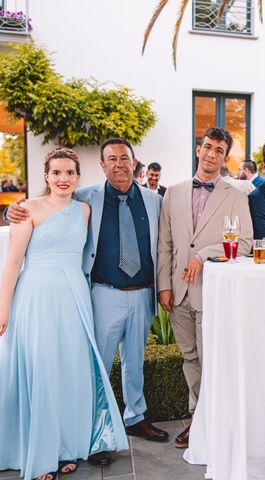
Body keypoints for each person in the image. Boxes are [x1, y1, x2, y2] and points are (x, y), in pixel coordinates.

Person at [5, 138, 169, 466]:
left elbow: (164, 244)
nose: (119, 164)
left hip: (141, 292)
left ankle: (136, 417)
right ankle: (97, 433)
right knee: (97, 365)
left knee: (135, 361)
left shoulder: (155, 200)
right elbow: (49, 204)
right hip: (102, 293)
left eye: (125, 158)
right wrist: (14, 209)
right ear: (102, 166)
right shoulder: (85, 197)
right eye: (112, 159)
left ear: (135, 163)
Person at [0, 148, 128, 480]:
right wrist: (3, 308)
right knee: (42, 369)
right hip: (37, 296)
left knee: (70, 370)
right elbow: (13, 261)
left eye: (69, 173)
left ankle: (66, 448)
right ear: (45, 176)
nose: (63, 179)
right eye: (56, 173)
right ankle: (42, 453)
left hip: (75, 296)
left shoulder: (84, 209)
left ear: (77, 177)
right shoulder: (26, 208)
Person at [157, 127, 253, 449]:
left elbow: (245, 243)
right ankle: (199, 417)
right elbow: (165, 244)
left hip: (212, 290)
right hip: (178, 291)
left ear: (225, 158)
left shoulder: (237, 196)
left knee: (211, 358)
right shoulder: (173, 192)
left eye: (219, 150)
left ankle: (206, 423)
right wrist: (163, 287)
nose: (212, 154)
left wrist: (204, 254)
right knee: (189, 357)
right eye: (208, 147)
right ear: (199, 150)